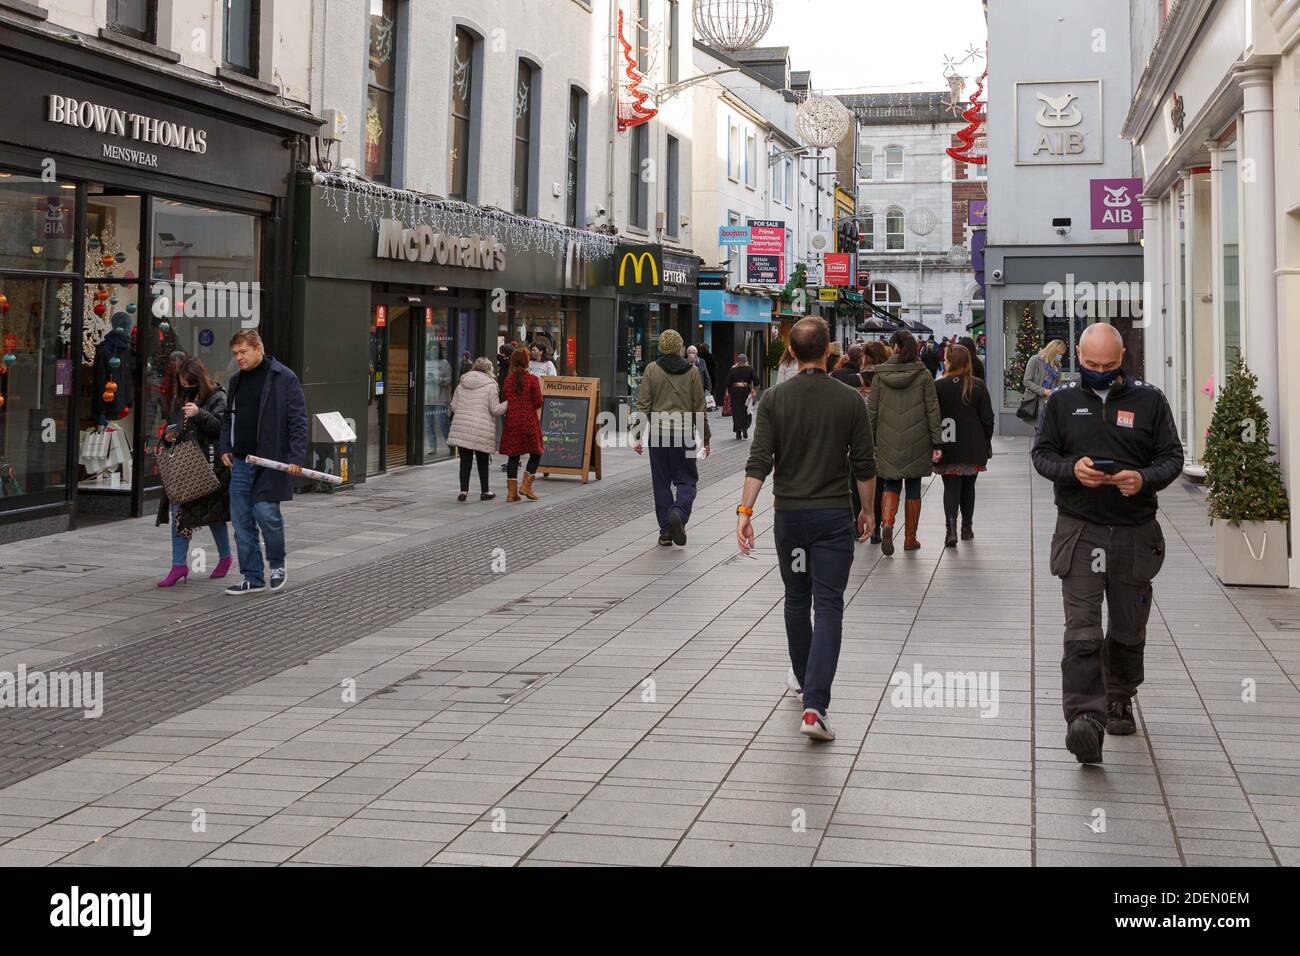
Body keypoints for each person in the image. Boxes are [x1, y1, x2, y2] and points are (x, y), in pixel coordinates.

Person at [1031, 323, 1183, 765]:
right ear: (1078, 356)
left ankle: (1119, 696)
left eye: (1109, 366)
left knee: (1126, 626)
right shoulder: (1061, 401)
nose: (1099, 372)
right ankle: (1085, 719)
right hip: (1080, 529)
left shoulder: (1150, 400)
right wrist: (1071, 470)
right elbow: (1042, 455)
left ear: (1122, 361)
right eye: (1091, 365)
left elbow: (1172, 457)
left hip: (1134, 532)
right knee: (1081, 630)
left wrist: (1143, 479)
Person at [738, 317, 877, 742]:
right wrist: (868, 510)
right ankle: (815, 706)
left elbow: (760, 460)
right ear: (829, 353)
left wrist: (745, 510)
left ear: (792, 354)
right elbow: (865, 463)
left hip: (791, 518)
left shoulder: (775, 399)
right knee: (829, 604)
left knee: (797, 601)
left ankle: (803, 684)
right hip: (834, 517)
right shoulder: (850, 399)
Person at [219, 329, 307, 596]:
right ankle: (252, 576)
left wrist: (295, 458)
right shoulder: (235, 381)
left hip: (271, 461)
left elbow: (298, 421)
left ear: (259, 348)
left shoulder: (283, 378)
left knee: (267, 514)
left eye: (243, 352)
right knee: (241, 521)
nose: (239, 358)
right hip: (241, 462)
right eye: (235, 354)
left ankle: (277, 565)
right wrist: (226, 446)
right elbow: (227, 417)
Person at [155, 357, 233, 587]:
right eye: (182, 383)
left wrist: (199, 413)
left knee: (213, 515)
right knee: (179, 514)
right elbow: (176, 427)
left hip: (210, 466)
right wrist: (168, 436)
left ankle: (226, 557)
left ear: (199, 379)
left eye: (190, 383)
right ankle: (178, 565)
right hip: (185, 466)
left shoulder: (218, 397)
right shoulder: (180, 399)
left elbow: (221, 428)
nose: (186, 387)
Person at [633, 329, 710, 547]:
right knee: (687, 480)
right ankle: (679, 512)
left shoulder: (651, 369)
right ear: (680, 348)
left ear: (661, 348)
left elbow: (643, 404)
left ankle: (666, 530)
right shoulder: (692, 372)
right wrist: (705, 438)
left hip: (658, 434)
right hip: (684, 434)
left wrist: (636, 436)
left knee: (661, 483)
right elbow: (699, 408)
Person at [869, 329, 942, 555]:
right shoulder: (923, 375)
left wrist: (869, 441)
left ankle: (888, 523)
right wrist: (937, 442)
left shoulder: (879, 375)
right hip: (917, 438)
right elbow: (932, 409)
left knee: (890, 482)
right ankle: (910, 538)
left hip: (887, 437)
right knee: (912, 486)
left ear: (894, 346)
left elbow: (872, 410)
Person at [933, 345, 994, 547]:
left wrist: (934, 443)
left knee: (950, 487)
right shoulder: (977, 385)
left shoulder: (939, 386)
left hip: (948, 444)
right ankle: (966, 527)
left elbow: (933, 418)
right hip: (973, 445)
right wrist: (986, 441)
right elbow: (987, 418)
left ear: (950, 361)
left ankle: (950, 529)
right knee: (969, 487)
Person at [447, 357, 506, 502]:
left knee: (465, 461)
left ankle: (463, 492)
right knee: (482, 461)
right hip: (481, 427)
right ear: (488, 369)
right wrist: (508, 404)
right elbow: (495, 409)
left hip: (462, 426)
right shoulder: (491, 385)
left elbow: (453, 406)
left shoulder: (462, 383)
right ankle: (485, 491)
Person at [500, 348, 544, 502]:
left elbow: (505, 396)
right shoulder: (532, 380)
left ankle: (511, 494)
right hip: (529, 421)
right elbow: (538, 402)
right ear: (526, 363)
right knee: (536, 453)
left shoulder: (508, 381)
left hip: (512, 421)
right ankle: (526, 485)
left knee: (513, 456)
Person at [1021, 339, 1066, 421]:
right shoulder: (1035, 360)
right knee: (1041, 429)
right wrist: (1043, 391)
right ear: (1052, 351)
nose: (1060, 356)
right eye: (1059, 353)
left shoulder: (1057, 365)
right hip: (1038, 401)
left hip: (1052, 401)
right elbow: (1026, 381)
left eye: (1061, 354)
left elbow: (1057, 382)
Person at [725, 352, 758, 439]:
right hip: (746, 392)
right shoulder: (750, 369)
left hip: (735, 393)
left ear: (737, 361)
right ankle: (745, 430)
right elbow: (756, 380)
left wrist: (728, 390)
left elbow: (727, 382)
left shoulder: (733, 370)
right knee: (746, 410)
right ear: (746, 360)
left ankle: (738, 433)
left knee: (736, 412)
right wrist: (754, 389)